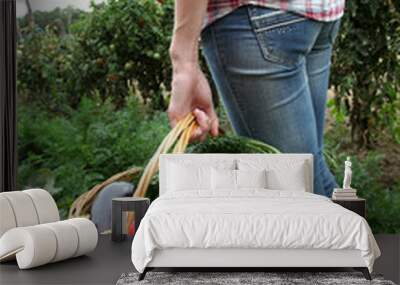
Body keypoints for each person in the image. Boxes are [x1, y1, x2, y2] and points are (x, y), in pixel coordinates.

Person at [167, 0, 344, 197]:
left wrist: (183, 61)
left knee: (297, 192)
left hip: (256, 20)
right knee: (310, 174)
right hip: (317, 13)